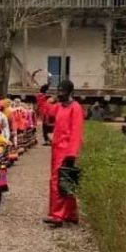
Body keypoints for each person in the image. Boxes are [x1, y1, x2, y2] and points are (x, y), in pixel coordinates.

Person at [44, 79, 84, 228]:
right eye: (58, 91)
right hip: (56, 149)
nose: (60, 94)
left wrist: (71, 154)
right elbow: (47, 111)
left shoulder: (76, 108)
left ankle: (57, 215)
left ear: (70, 93)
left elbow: (76, 132)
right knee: (66, 181)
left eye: (63, 92)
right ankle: (71, 214)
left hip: (66, 150)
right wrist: (43, 96)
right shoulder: (60, 107)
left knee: (58, 181)